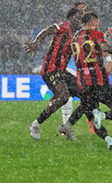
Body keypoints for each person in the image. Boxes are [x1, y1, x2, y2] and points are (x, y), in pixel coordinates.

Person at [59, 12, 112, 150]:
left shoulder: (75, 37)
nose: (98, 24)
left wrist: (105, 35)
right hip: (99, 82)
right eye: (98, 22)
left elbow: (90, 45)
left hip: (83, 84)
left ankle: (108, 140)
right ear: (93, 21)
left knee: (92, 118)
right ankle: (103, 116)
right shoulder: (96, 35)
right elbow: (103, 46)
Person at [24, 8, 83, 140]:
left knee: (87, 96)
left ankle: (67, 127)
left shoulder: (77, 35)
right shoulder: (64, 26)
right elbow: (48, 30)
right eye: (77, 17)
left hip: (62, 71)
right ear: (71, 17)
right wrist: (35, 42)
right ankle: (35, 124)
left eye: (81, 19)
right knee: (64, 97)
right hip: (50, 69)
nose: (79, 20)